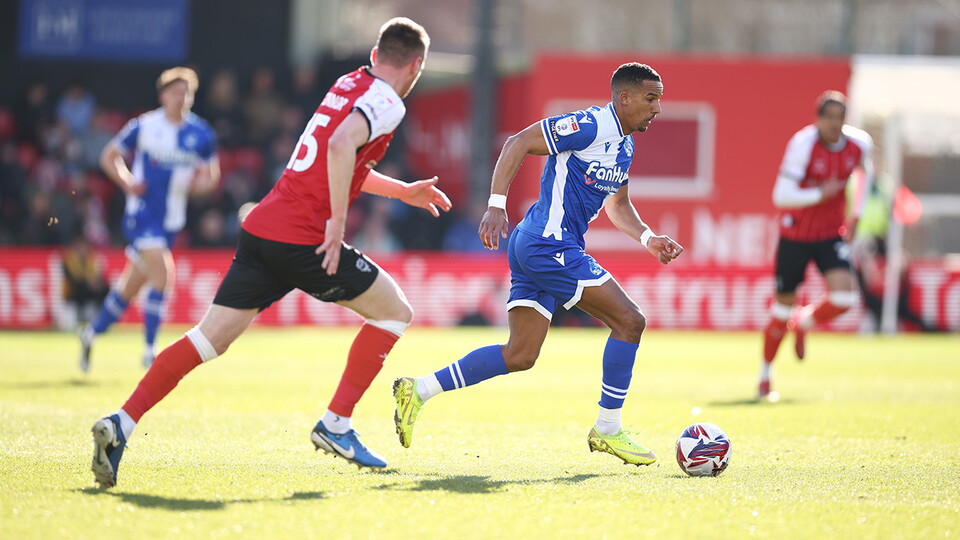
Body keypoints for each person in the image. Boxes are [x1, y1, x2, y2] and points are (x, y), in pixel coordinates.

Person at [90, 17, 450, 488]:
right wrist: (337, 222)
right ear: (417, 65)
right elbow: (342, 147)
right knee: (394, 313)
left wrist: (402, 191)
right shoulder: (387, 101)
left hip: (264, 227)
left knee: (207, 339)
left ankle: (121, 423)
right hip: (304, 236)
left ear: (376, 54)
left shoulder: (349, 83)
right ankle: (337, 424)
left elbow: (337, 155)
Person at [393, 63, 684, 467]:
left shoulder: (625, 145)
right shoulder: (590, 125)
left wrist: (648, 238)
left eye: (659, 100)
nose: (657, 109)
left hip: (540, 246)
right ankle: (609, 428)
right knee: (630, 321)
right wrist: (496, 206)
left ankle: (418, 390)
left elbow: (617, 204)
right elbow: (518, 141)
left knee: (520, 354)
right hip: (548, 245)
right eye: (651, 99)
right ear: (625, 98)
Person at [79, 67, 219, 372]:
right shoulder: (144, 126)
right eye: (175, 92)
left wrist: (200, 186)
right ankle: (149, 350)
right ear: (163, 95)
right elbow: (109, 156)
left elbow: (211, 177)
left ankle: (90, 334)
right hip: (141, 215)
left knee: (128, 290)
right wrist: (128, 182)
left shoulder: (201, 133)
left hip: (171, 221)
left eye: (186, 92)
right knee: (164, 275)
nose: (180, 98)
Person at [758, 90, 874, 400]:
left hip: (829, 234)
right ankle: (765, 374)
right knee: (781, 309)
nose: (835, 124)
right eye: (829, 117)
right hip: (795, 234)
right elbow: (780, 196)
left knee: (844, 296)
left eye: (840, 118)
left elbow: (865, 173)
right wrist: (818, 195)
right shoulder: (802, 145)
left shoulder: (859, 144)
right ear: (818, 119)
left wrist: (857, 215)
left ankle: (805, 321)